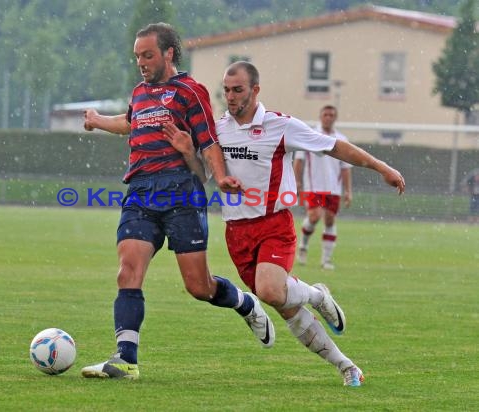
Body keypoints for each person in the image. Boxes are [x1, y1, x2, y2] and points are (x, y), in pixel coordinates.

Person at [163, 61, 405, 386]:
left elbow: (333, 147)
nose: (231, 97)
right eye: (227, 91)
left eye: (238, 90)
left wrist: (381, 167)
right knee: (284, 306)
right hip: (236, 232)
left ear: (255, 90)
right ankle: (347, 366)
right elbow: (205, 175)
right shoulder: (217, 130)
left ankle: (318, 296)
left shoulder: (280, 126)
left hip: (273, 224)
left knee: (269, 289)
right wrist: (188, 153)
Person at [80, 24, 276, 380]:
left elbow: (208, 141)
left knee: (198, 287)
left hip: (181, 193)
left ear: (169, 53)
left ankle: (245, 303)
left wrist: (220, 177)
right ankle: (126, 359)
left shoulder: (190, 91)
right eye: (137, 55)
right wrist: (97, 120)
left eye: (148, 54)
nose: (141, 61)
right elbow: (130, 122)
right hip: (140, 192)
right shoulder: (139, 92)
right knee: (128, 272)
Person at [293, 105, 352, 270]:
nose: (328, 117)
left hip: (334, 187)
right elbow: (299, 160)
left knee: (330, 220)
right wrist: (297, 182)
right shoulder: (310, 135)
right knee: (314, 216)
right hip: (313, 186)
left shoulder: (341, 139)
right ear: (320, 116)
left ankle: (326, 260)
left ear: (335, 117)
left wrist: (348, 191)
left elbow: (346, 167)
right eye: (325, 114)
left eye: (332, 115)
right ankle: (303, 245)